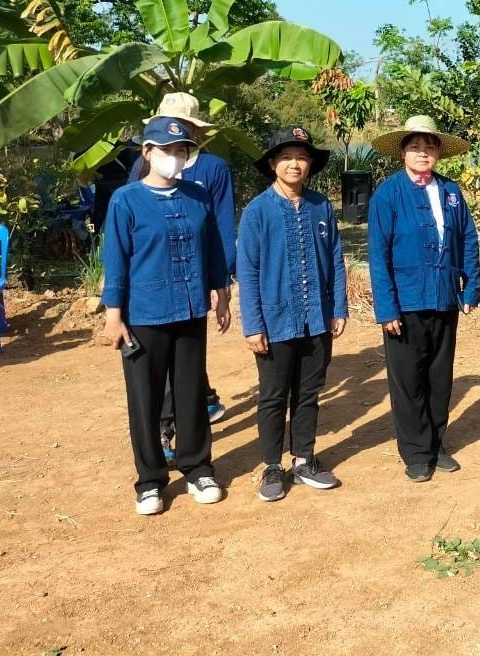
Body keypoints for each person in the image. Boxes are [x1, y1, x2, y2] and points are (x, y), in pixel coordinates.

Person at [102, 117, 231, 515]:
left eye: (181, 151)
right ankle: (150, 480)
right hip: (144, 313)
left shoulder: (197, 195)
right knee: (146, 398)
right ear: (147, 153)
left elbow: (212, 248)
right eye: (166, 151)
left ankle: (197, 467)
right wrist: (113, 314)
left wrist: (222, 292)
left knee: (191, 393)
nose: (174, 158)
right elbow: (116, 259)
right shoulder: (126, 200)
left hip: (191, 309)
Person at [238, 126, 348, 502]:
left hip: (316, 317)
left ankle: (304, 459)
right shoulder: (257, 212)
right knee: (273, 395)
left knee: (308, 393)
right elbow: (248, 271)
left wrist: (338, 308)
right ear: (272, 164)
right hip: (274, 321)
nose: (294, 164)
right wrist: (253, 324)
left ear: (311, 163)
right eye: (286, 157)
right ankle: (271, 465)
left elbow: (335, 259)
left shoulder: (320, 207)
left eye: (301, 157)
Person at [368, 115, 480, 483]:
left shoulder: (450, 191)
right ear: (403, 152)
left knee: (438, 377)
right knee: (408, 380)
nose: (422, 153)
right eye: (415, 146)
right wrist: (386, 307)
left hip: (444, 298)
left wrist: (471, 286)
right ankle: (416, 452)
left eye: (429, 146)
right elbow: (378, 254)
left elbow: (468, 240)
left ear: (438, 153)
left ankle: (436, 444)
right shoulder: (388, 193)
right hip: (405, 302)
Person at [126, 93, 235, 457]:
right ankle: (162, 429)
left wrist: (222, 282)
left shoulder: (213, 169)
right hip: (152, 284)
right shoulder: (142, 168)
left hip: (194, 277)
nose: (176, 137)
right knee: (156, 366)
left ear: (194, 130)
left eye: (184, 128)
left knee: (186, 361)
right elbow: (127, 226)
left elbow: (221, 226)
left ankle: (187, 434)